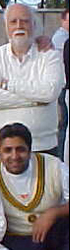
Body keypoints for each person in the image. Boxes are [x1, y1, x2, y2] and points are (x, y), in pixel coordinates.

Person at [0, 3, 65, 160]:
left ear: (34, 25)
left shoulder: (49, 55)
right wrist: (36, 101)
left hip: (43, 146)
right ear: (6, 26)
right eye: (13, 21)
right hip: (1, 147)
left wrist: (9, 85)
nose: (19, 26)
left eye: (25, 21)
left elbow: (50, 93)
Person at [52, 9, 69, 161]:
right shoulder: (61, 38)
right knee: (65, 123)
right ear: (63, 19)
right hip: (64, 87)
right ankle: (63, 157)